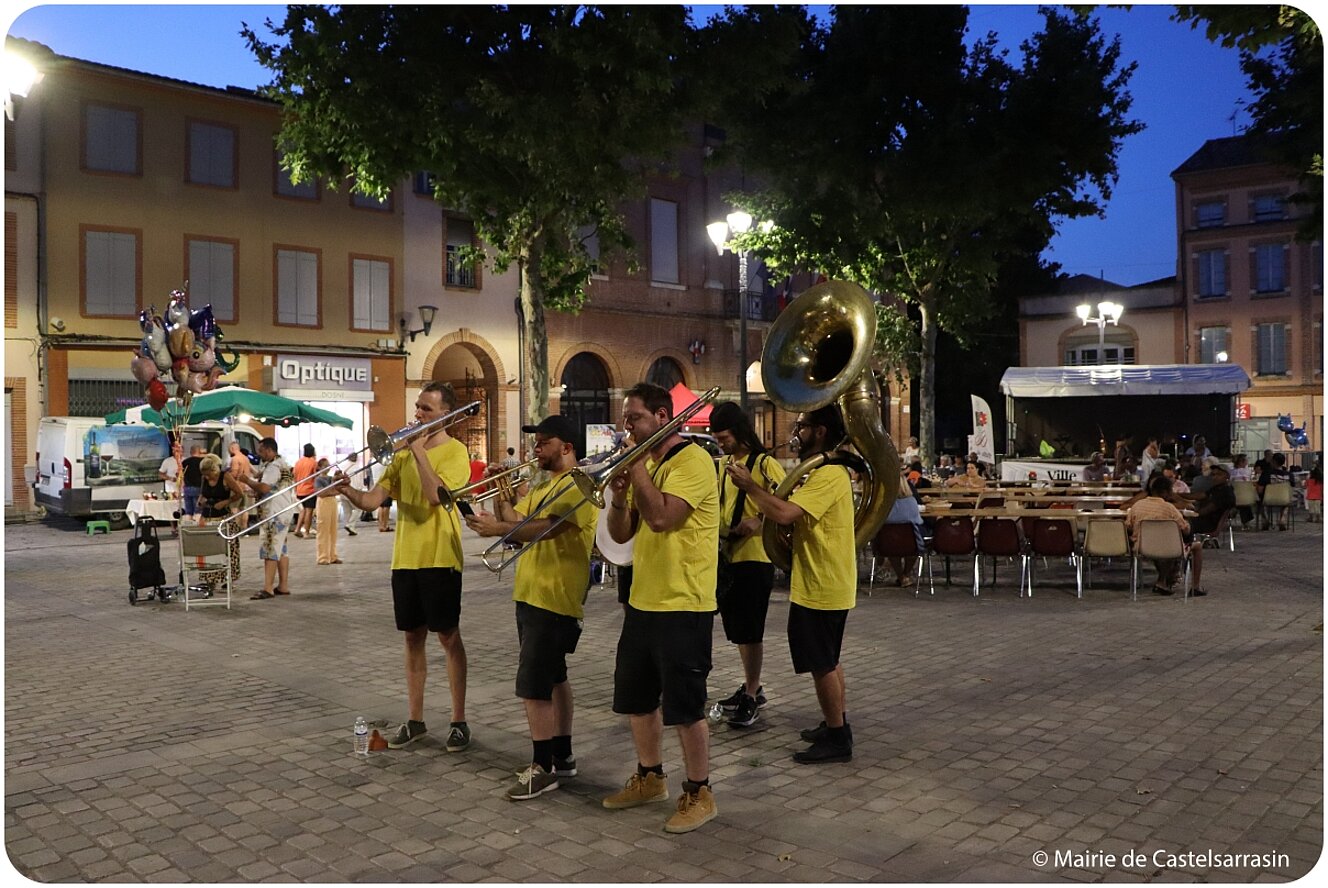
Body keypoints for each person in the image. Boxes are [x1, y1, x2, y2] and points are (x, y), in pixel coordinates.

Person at [601, 381, 719, 834]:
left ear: (663, 415)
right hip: (643, 600)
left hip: (684, 601)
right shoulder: (645, 464)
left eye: (634, 418)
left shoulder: (694, 460)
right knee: (637, 697)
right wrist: (617, 496)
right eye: (625, 418)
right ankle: (650, 777)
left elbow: (663, 517)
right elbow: (623, 531)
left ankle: (700, 791)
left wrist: (636, 468)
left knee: (686, 706)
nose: (625, 426)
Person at [329, 381, 472, 752]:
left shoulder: (457, 453)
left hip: (441, 556)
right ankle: (416, 719)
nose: (418, 414)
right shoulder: (402, 456)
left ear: (446, 415)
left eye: (426, 409)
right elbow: (373, 500)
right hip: (406, 559)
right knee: (412, 639)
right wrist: (347, 491)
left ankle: (459, 720)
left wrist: (420, 450)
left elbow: (433, 496)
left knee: (448, 637)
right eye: (418, 407)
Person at [464, 415, 596, 801]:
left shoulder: (576, 485)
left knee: (533, 685)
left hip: (553, 596)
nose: (536, 449)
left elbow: (549, 528)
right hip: (532, 593)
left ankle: (543, 767)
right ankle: (562, 754)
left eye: (544, 442)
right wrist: (501, 496)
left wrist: (498, 531)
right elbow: (518, 521)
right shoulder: (547, 484)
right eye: (535, 442)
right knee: (554, 677)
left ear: (567, 447)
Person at [729, 403, 857, 765]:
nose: (795, 433)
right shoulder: (823, 473)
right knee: (828, 661)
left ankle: (837, 739)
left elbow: (785, 513)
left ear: (820, 431)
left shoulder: (830, 474)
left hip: (822, 583)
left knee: (821, 664)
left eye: (802, 426)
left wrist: (751, 486)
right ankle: (837, 724)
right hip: (819, 579)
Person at [709, 401, 786, 730]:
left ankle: (753, 692)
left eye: (724, 437)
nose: (720, 443)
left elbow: (787, 502)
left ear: (740, 432)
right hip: (730, 555)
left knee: (751, 630)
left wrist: (759, 518)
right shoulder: (724, 464)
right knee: (739, 629)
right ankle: (751, 685)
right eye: (716, 438)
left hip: (756, 557)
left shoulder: (765, 464)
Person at [238, 437, 294, 599]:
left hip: (273, 513)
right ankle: (283, 585)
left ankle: (268, 588)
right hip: (283, 511)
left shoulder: (273, 467)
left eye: (261, 451)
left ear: (269, 450)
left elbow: (265, 487)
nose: (258, 453)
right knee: (281, 549)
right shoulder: (282, 463)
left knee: (270, 548)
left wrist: (247, 480)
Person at [1125, 473, 1191, 596]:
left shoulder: (1137, 506)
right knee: (1182, 545)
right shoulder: (1169, 508)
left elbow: (1128, 526)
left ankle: (1163, 581)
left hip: (1142, 547)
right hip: (1168, 547)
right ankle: (1193, 586)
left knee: (1163, 546)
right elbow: (1185, 529)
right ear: (1166, 492)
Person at [196, 453, 244, 593]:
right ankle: (210, 579)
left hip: (223, 517)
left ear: (214, 471)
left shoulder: (225, 477)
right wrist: (201, 501)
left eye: (208, 475)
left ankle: (230, 578)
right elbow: (202, 493)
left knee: (229, 550)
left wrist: (226, 502)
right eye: (204, 475)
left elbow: (239, 493)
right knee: (208, 550)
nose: (206, 478)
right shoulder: (204, 479)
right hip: (207, 517)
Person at [882, 476, 925, 587]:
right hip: (911, 543)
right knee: (914, 546)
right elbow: (918, 521)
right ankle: (905, 574)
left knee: (892, 548)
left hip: (888, 543)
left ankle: (901, 576)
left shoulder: (884, 503)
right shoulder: (912, 502)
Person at [313, 458, 342, 565]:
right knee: (323, 530)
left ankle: (333, 555)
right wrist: (331, 491)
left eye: (328, 465)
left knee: (333, 530)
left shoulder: (331, 478)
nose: (327, 467)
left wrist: (331, 490)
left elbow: (337, 490)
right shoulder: (318, 479)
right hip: (323, 503)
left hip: (333, 502)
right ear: (319, 467)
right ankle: (322, 557)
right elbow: (320, 493)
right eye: (324, 466)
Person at [1256, 452, 1292, 530]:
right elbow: (1292, 488)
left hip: (1268, 499)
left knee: (1259, 499)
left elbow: (1260, 489)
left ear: (1274, 462)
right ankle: (1282, 519)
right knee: (1286, 502)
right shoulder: (1289, 475)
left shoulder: (1266, 474)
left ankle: (1265, 520)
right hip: (1284, 498)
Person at [227, 441, 255, 531]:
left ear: (232, 449)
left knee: (234, 508)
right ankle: (244, 528)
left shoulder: (235, 459)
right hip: (245, 486)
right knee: (244, 508)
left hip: (236, 487)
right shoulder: (246, 458)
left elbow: (234, 473)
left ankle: (235, 528)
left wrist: (227, 477)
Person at [292, 443, 318, 539]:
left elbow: (294, 475)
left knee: (302, 511)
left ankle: (297, 529)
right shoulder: (313, 462)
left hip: (299, 490)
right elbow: (315, 475)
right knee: (309, 511)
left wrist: (296, 488)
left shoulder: (298, 462)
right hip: (309, 490)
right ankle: (306, 532)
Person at [180, 444, 206, 517]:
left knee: (188, 512)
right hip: (198, 488)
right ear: (199, 451)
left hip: (187, 488)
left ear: (191, 452)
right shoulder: (203, 462)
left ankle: (188, 525)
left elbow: (180, 475)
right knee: (198, 511)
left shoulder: (185, 462)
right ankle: (197, 527)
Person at [339, 452, 360, 536]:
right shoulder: (356, 467)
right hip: (352, 491)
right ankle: (350, 525)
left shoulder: (342, 466)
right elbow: (359, 482)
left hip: (342, 491)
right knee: (359, 509)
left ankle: (351, 527)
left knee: (347, 511)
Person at [1305, 458, 1322, 523]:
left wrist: (1307, 479)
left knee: (1311, 508)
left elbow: (1305, 486)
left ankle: (1311, 518)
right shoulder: (1320, 480)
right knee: (1317, 508)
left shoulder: (1309, 480)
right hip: (1318, 496)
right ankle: (1318, 519)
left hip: (1310, 496)